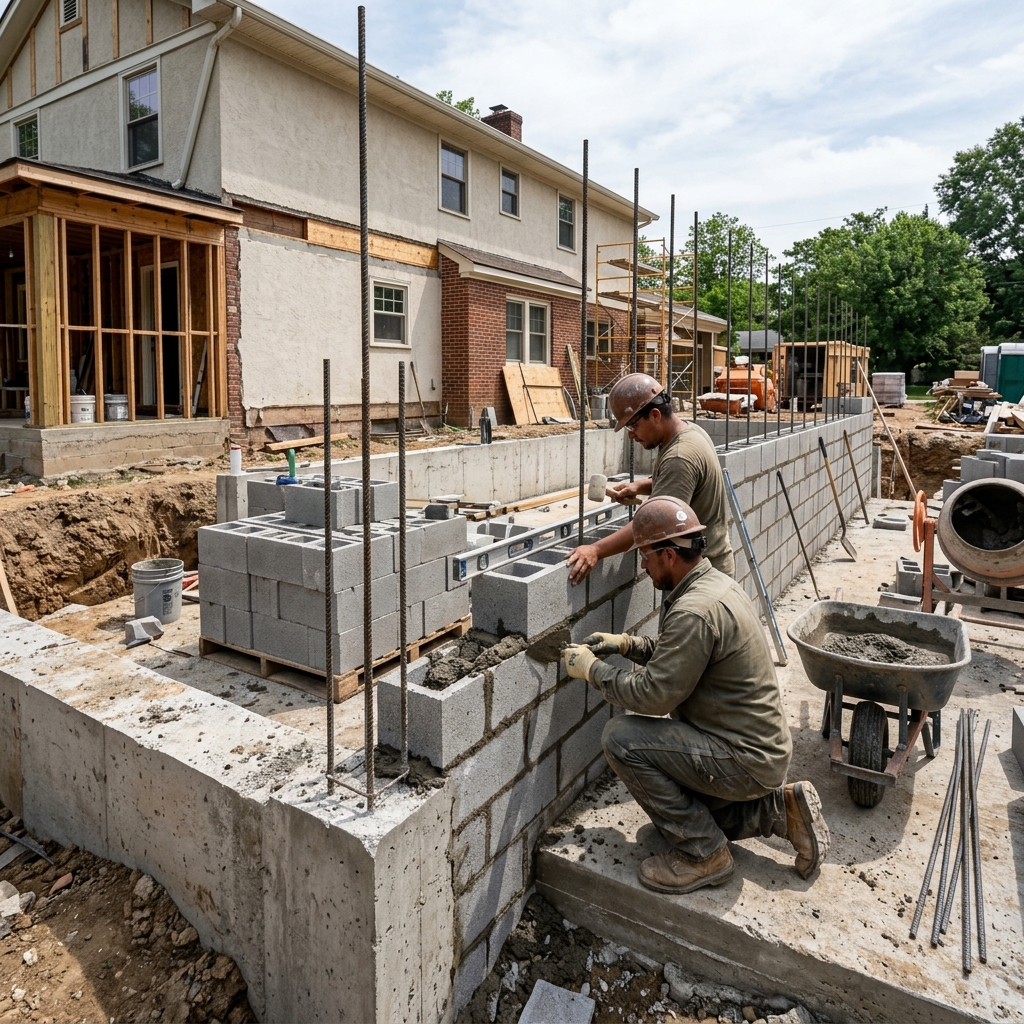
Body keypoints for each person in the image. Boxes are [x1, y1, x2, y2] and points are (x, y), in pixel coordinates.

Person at [561, 495, 829, 894]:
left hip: (744, 758)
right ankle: (781, 810)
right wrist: (627, 644)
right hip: (755, 748)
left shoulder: (694, 610)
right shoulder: (711, 583)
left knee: (622, 741)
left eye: (646, 556)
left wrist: (592, 671)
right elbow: (681, 655)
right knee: (685, 809)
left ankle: (704, 855)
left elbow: (654, 695)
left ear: (669, 555)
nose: (642, 565)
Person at [565, 373, 734, 585]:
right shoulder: (689, 432)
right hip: (703, 566)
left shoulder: (680, 457)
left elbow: (653, 525)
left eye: (632, 426)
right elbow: (683, 481)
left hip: (701, 577)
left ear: (655, 415)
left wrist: (596, 549)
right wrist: (638, 487)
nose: (630, 435)